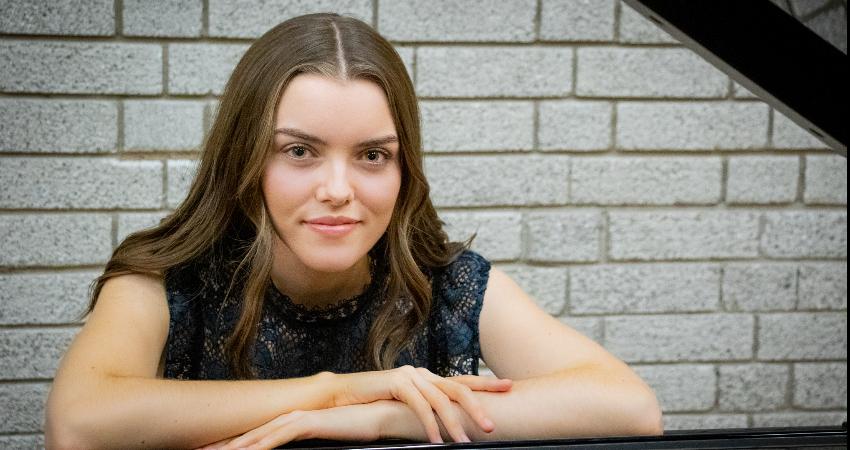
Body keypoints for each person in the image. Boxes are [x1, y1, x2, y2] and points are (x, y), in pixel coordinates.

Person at [44, 12, 662, 449]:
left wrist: (386, 417)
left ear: (402, 167)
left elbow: (629, 407)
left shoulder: (445, 285)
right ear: (244, 157)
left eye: (372, 155)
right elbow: (78, 424)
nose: (338, 189)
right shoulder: (165, 280)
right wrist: (335, 392)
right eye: (300, 151)